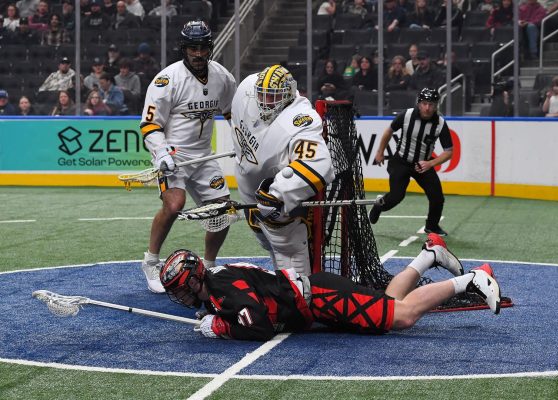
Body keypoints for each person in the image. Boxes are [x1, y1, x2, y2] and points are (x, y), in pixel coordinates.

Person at [159, 233, 501, 341]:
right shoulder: (216, 286)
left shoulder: (222, 285)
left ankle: (471, 279)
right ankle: (429, 256)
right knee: (389, 303)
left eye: (181, 287)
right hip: (319, 300)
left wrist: (221, 326)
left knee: (403, 316)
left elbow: (259, 326)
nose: (180, 295)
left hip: (322, 299)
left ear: (194, 277)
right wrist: (216, 314)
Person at [139, 20, 236, 293]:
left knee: (222, 212)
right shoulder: (166, 80)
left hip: (203, 156)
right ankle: (151, 262)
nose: (198, 53)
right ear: (184, 49)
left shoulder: (222, 77)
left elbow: (233, 113)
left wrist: (243, 140)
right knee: (174, 205)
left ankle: (210, 266)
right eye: (193, 48)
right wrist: (161, 152)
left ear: (210, 48)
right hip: (173, 154)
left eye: (203, 48)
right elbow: (149, 124)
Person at [230, 65, 334, 276]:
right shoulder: (247, 88)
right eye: (263, 95)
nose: (266, 102)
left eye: (273, 96)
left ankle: (301, 292)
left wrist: (278, 193)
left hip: (277, 198)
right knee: (267, 243)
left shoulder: (300, 118)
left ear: (288, 94)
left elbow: (318, 164)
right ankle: (285, 283)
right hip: (247, 187)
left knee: (288, 247)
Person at [369, 88, 452, 236]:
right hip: (400, 161)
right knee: (396, 196)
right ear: (419, 103)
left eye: (431, 104)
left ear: (436, 106)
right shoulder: (407, 115)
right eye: (424, 103)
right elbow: (389, 131)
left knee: (437, 198)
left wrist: (430, 164)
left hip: (423, 165)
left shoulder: (440, 124)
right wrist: (380, 152)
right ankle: (378, 206)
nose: (427, 108)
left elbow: (449, 152)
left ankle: (432, 226)